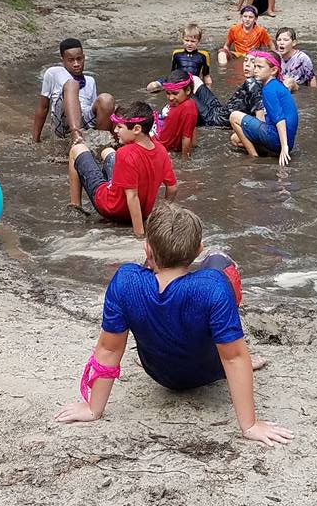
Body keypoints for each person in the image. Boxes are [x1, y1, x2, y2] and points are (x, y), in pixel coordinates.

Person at [54, 201, 294, 448]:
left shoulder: (125, 280)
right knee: (221, 261)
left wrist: (94, 409)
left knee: (153, 276)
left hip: (160, 373)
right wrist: (250, 425)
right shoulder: (213, 285)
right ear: (199, 249)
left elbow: (109, 349)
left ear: (147, 249)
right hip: (210, 370)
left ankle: (162, 265)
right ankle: (238, 349)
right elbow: (233, 358)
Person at [67, 101, 177, 234]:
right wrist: (161, 216)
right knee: (108, 152)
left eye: (119, 127)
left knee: (77, 149)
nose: (115, 130)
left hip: (111, 208)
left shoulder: (125, 153)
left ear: (136, 129)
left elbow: (132, 196)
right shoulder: (161, 150)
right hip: (144, 212)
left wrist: (139, 233)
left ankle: (76, 207)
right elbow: (172, 188)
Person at [32, 37, 115, 145]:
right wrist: (35, 139)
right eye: (71, 60)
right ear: (63, 60)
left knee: (107, 99)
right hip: (62, 122)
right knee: (72, 84)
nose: (76, 64)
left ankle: (101, 144)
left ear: (84, 58)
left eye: (79, 59)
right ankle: (75, 133)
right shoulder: (53, 73)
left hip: (84, 119)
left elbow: (96, 111)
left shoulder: (90, 81)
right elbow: (43, 107)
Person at [229, 50, 298, 167]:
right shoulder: (277, 85)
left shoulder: (269, 90)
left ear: (274, 70)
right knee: (236, 138)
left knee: (234, 116)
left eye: (260, 67)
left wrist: (284, 147)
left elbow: (280, 119)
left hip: (278, 141)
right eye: (255, 66)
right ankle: (269, 153)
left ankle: (254, 158)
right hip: (285, 141)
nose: (255, 70)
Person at [192, 55, 263, 128]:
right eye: (245, 60)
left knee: (184, 90)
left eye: (252, 62)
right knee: (194, 79)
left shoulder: (253, 84)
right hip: (219, 110)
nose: (247, 64)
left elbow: (260, 122)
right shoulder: (257, 83)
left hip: (214, 120)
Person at [146, 23, 212, 93]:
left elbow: (206, 76)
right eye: (187, 40)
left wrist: (208, 91)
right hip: (176, 79)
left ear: (198, 42)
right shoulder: (177, 54)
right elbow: (173, 72)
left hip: (191, 82)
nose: (189, 44)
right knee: (151, 86)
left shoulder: (203, 55)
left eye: (193, 41)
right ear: (182, 39)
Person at [154, 71, 198, 158]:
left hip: (157, 146)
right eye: (167, 93)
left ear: (188, 90)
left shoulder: (188, 108)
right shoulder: (178, 102)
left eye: (175, 93)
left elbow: (186, 137)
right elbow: (193, 127)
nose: (170, 98)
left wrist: (185, 161)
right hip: (155, 134)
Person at [275, 27, 317, 91]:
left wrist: (313, 95)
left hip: (298, 89)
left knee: (289, 82)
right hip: (281, 87)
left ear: (293, 43)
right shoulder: (275, 56)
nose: (281, 42)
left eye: (285, 40)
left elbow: (311, 78)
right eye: (279, 40)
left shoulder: (302, 58)